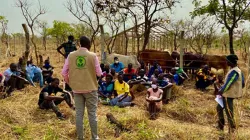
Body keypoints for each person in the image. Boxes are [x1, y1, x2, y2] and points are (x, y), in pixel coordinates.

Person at [62, 36, 102, 140]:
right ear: (89, 45)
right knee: (92, 114)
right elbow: (99, 73)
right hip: (91, 89)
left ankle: (80, 137)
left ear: (79, 44)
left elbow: (63, 73)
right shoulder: (93, 56)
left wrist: (70, 83)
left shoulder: (71, 55)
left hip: (76, 89)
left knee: (79, 114)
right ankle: (94, 137)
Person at [216, 54, 245, 133]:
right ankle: (221, 125)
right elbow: (243, 83)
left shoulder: (234, 71)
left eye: (227, 61)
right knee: (219, 107)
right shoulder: (237, 70)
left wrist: (221, 90)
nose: (225, 62)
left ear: (230, 62)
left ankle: (232, 129)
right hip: (228, 93)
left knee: (229, 112)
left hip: (228, 95)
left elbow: (229, 83)